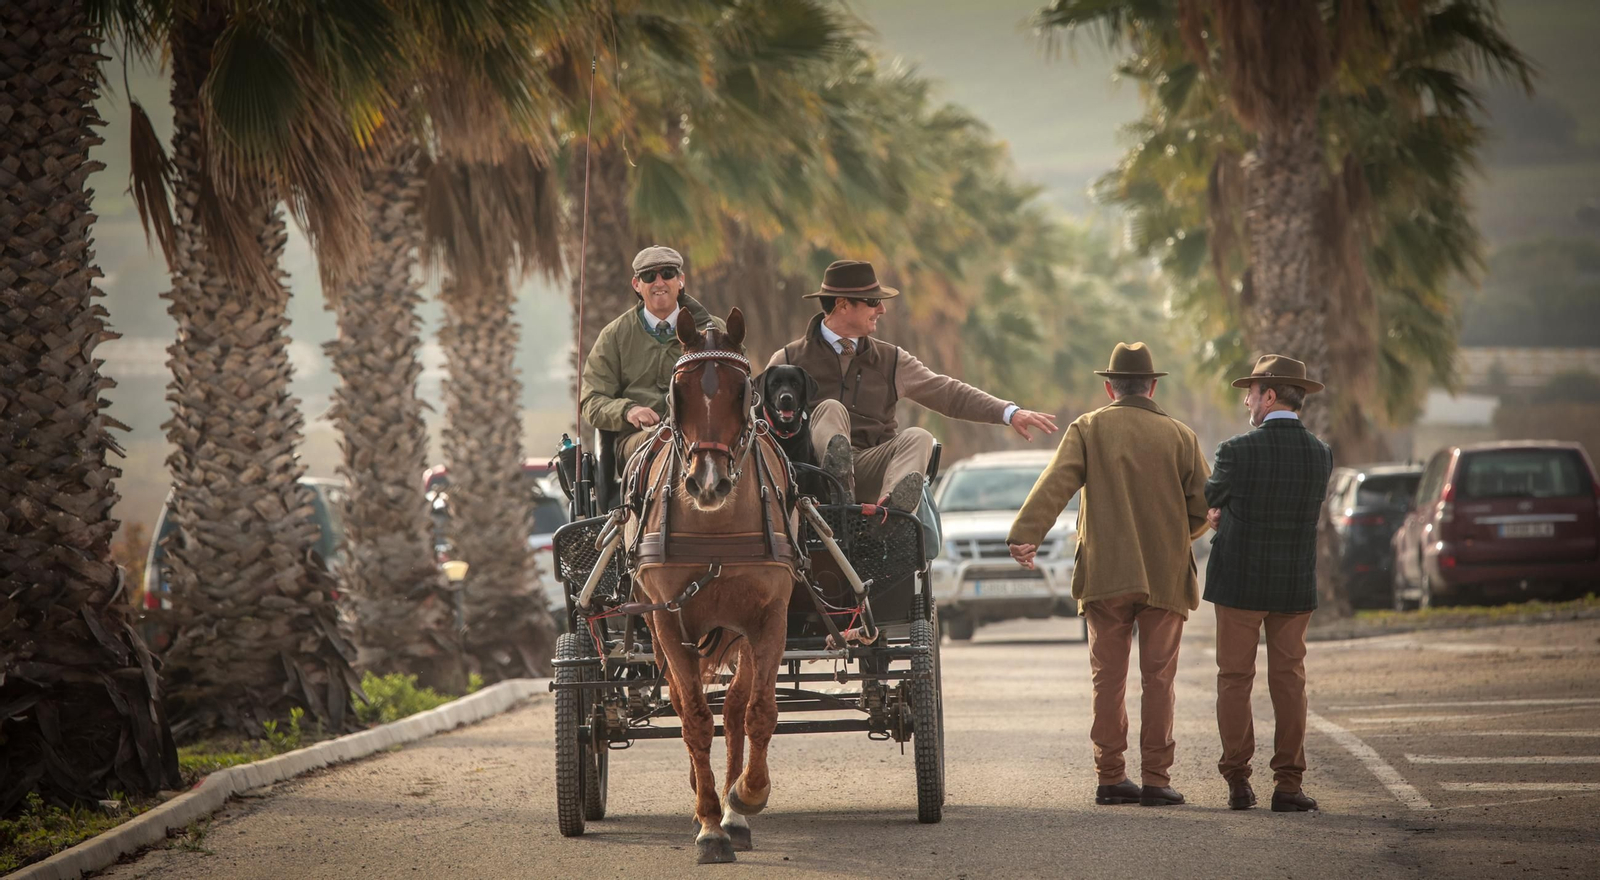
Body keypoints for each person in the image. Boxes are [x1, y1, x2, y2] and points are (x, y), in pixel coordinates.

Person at [1006, 342, 1211, 807]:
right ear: (1153, 386)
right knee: (1159, 679)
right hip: (1164, 577)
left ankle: (1111, 776)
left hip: (1105, 575)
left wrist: (1026, 534)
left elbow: (1057, 481)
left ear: (1109, 387)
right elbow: (1202, 507)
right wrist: (1176, 537)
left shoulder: (1089, 428)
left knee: (1109, 677)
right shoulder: (1181, 436)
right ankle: (1157, 780)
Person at [767, 259, 1058, 509]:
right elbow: (756, 418)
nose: (881, 309)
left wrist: (1009, 413)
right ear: (843, 305)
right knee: (830, 408)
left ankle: (891, 513)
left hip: (870, 469)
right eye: (872, 301)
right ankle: (836, 484)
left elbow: (947, 393)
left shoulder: (891, 360)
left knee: (919, 436)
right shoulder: (789, 359)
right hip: (809, 472)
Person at [1204, 354, 1334, 813]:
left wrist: (1221, 512)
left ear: (1270, 395)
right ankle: (1289, 785)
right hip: (1293, 583)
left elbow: (1211, 499)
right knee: (1290, 680)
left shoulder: (1235, 450)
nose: (1246, 401)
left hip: (1238, 580)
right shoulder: (1321, 453)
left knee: (1234, 679)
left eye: (1251, 393)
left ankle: (1239, 781)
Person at [579, 246, 725, 463]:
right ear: (637, 285)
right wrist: (628, 411)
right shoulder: (614, 335)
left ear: (681, 280)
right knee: (661, 446)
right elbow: (591, 400)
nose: (659, 283)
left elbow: (738, 386)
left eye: (667, 274)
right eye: (649, 276)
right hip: (637, 441)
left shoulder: (714, 332)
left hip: (705, 437)